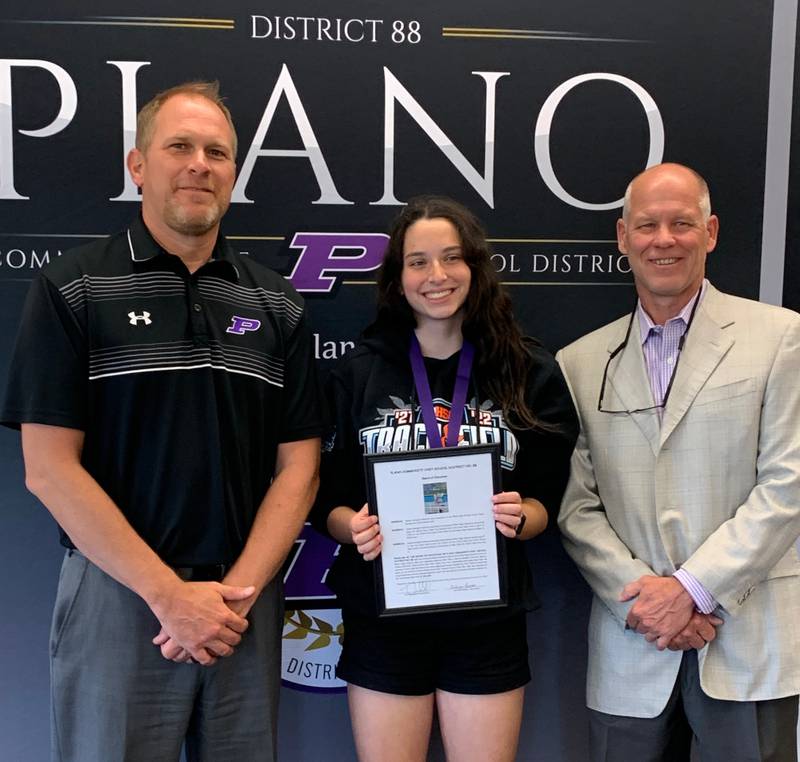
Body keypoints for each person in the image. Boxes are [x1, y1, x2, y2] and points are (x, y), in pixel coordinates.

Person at [1, 81, 325, 761]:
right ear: (138, 165)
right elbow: (48, 469)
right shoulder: (73, 288)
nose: (199, 164)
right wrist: (168, 595)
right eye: (179, 146)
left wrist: (231, 598)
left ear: (234, 172)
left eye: (218, 152)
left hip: (244, 603)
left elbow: (298, 469)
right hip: (118, 601)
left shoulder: (277, 301)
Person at [312, 196, 578, 762]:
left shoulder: (526, 371)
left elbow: (547, 498)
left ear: (475, 269)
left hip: (486, 616)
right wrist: (349, 527)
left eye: (452, 258)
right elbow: (324, 498)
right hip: (384, 614)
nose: (437, 276)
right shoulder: (356, 374)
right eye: (418, 261)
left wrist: (521, 517)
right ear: (397, 278)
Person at [556, 163, 800, 761]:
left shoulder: (780, 337)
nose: (663, 239)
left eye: (681, 224)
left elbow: (788, 485)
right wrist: (648, 603)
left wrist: (692, 589)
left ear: (710, 232)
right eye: (647, 225)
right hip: (631, 643)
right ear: (622, 237)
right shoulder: (581, 361)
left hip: (748, 642)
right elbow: (577, 509)